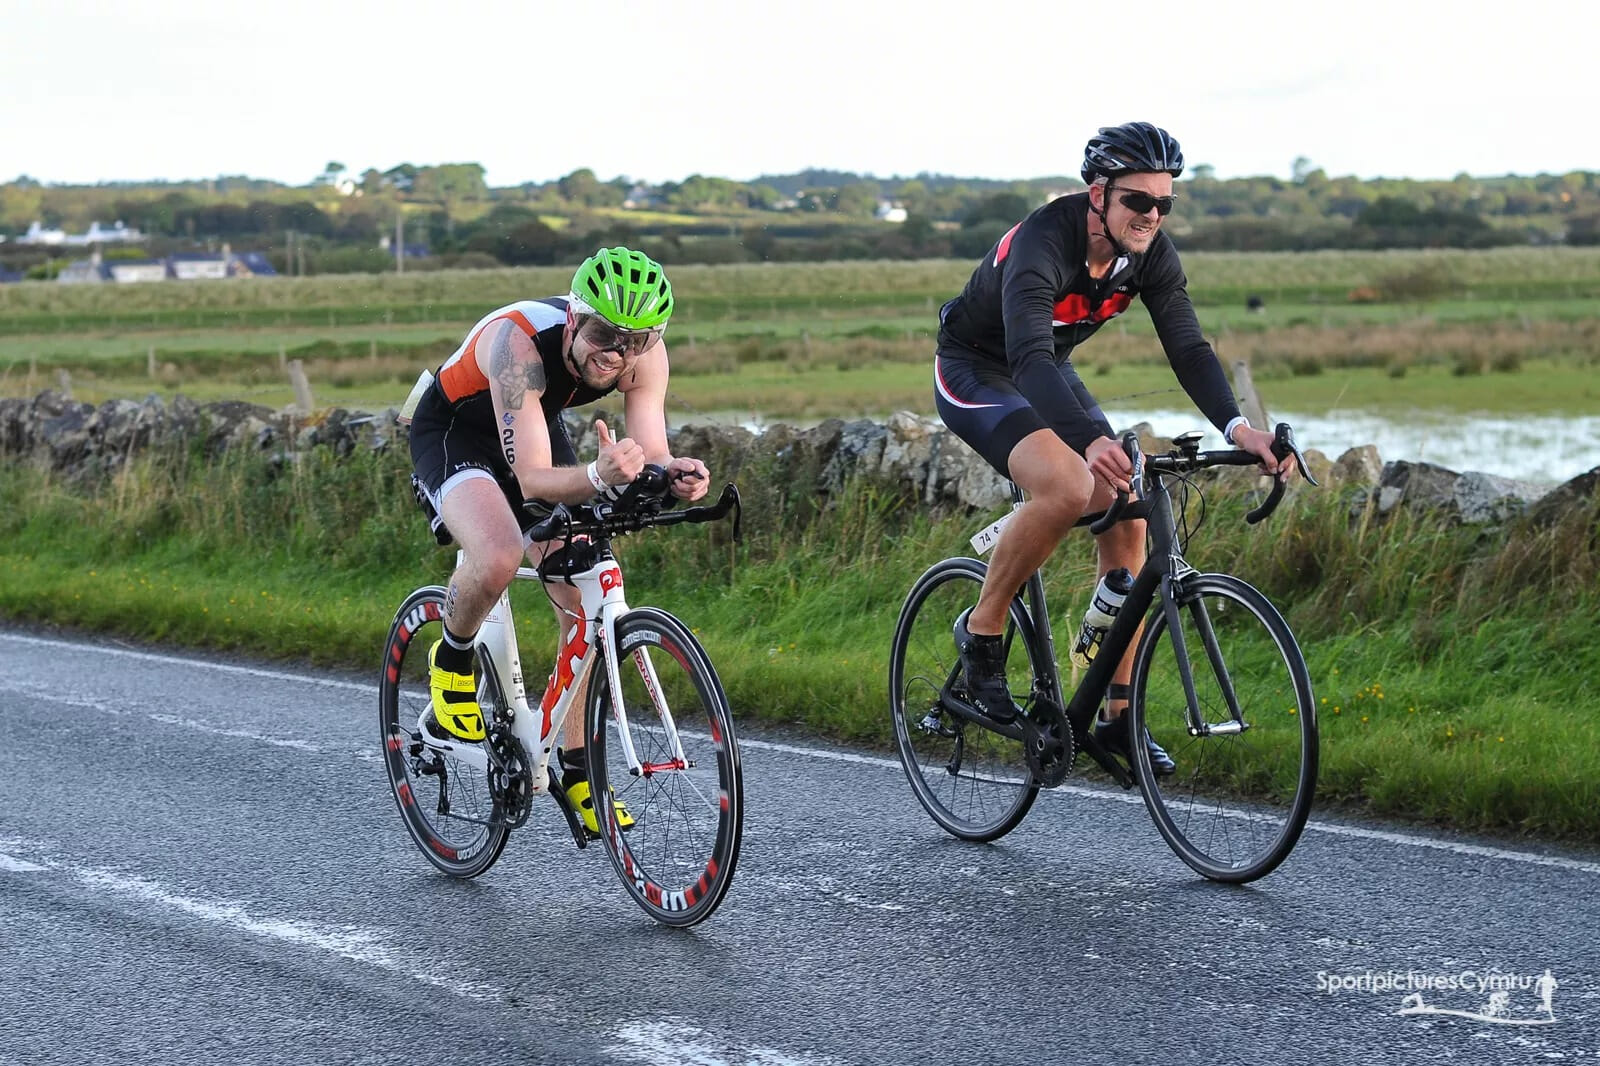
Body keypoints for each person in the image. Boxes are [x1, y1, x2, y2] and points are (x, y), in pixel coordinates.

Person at [932, 121, 1294, 774]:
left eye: (1165, 204)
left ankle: (1117, 713)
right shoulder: (1044, 241)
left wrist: (1240, 431)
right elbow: (1027, 357)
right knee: (1070, 485)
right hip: (978, 369)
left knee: (1128, 507)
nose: (1152, 215)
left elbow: (1188, 347)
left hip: (1047, 367)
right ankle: (981, 631)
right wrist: (1090, 441)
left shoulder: (1151, 254)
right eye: (1138, 200)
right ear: (1097, 193)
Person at [406, 246, 709, 832]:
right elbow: (532, 481)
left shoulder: (644, 355)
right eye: (602, 334)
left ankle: (575, 766)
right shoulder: (518, 343)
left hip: (529, 424)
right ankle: (453, 656)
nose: (616, 354)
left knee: (583, 590)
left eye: (635, 341)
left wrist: (673, 475)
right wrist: (597, 475)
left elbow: (652, 450)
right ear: (573, 318)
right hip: (454, 432)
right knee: (499, 553)